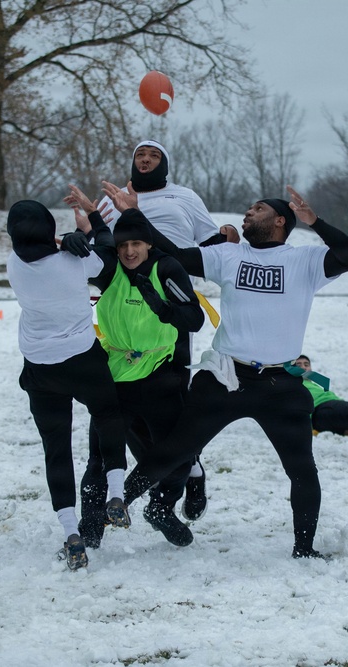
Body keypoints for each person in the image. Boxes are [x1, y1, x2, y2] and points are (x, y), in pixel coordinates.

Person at [105, 182, 348, 560]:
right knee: (178, 447)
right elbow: (173, 253)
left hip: (280, 383)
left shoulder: (305, 262)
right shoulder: (229, 255)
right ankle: (119, 501)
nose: (246, 213)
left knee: (302, 470)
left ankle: (304, 549)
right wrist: (135, 215)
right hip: (226, 375)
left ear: (280, 220)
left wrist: (315, 221)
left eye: (256, 209)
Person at [94, 139, 239, 521]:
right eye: (140, 154)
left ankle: (190, 473)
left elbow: (207, 246)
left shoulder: (183, 197)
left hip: (170, 308)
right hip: (124, 319)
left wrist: (226, 237)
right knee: (128, 415)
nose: (145, 159)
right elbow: (107, 253)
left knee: (171, 411)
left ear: (165, 164)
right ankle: (171, 473)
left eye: (154, 155)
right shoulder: (111, 200)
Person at [63, 184, 205, 548]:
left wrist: (163, 308)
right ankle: (91, 531)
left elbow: (194, 319)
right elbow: (94, 248)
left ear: (148, 245)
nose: (128, 252)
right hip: (115, 379)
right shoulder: (110, 268)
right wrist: (73, 238)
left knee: (179, 456)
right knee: (100, 460)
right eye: (124, 246)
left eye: (136, 245)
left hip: (161, 374)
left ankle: (160, 508)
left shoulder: (167, 267)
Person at [5, 199, 131, 571]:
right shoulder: (73, 262)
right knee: (109, 414)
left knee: (55, 448)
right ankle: (117, 493)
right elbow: (107, 258)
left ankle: (70, 532)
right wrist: (89, 228)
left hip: (40, 366)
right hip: (82, 357)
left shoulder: (14, 264)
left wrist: (69, 240)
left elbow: (42, 251)